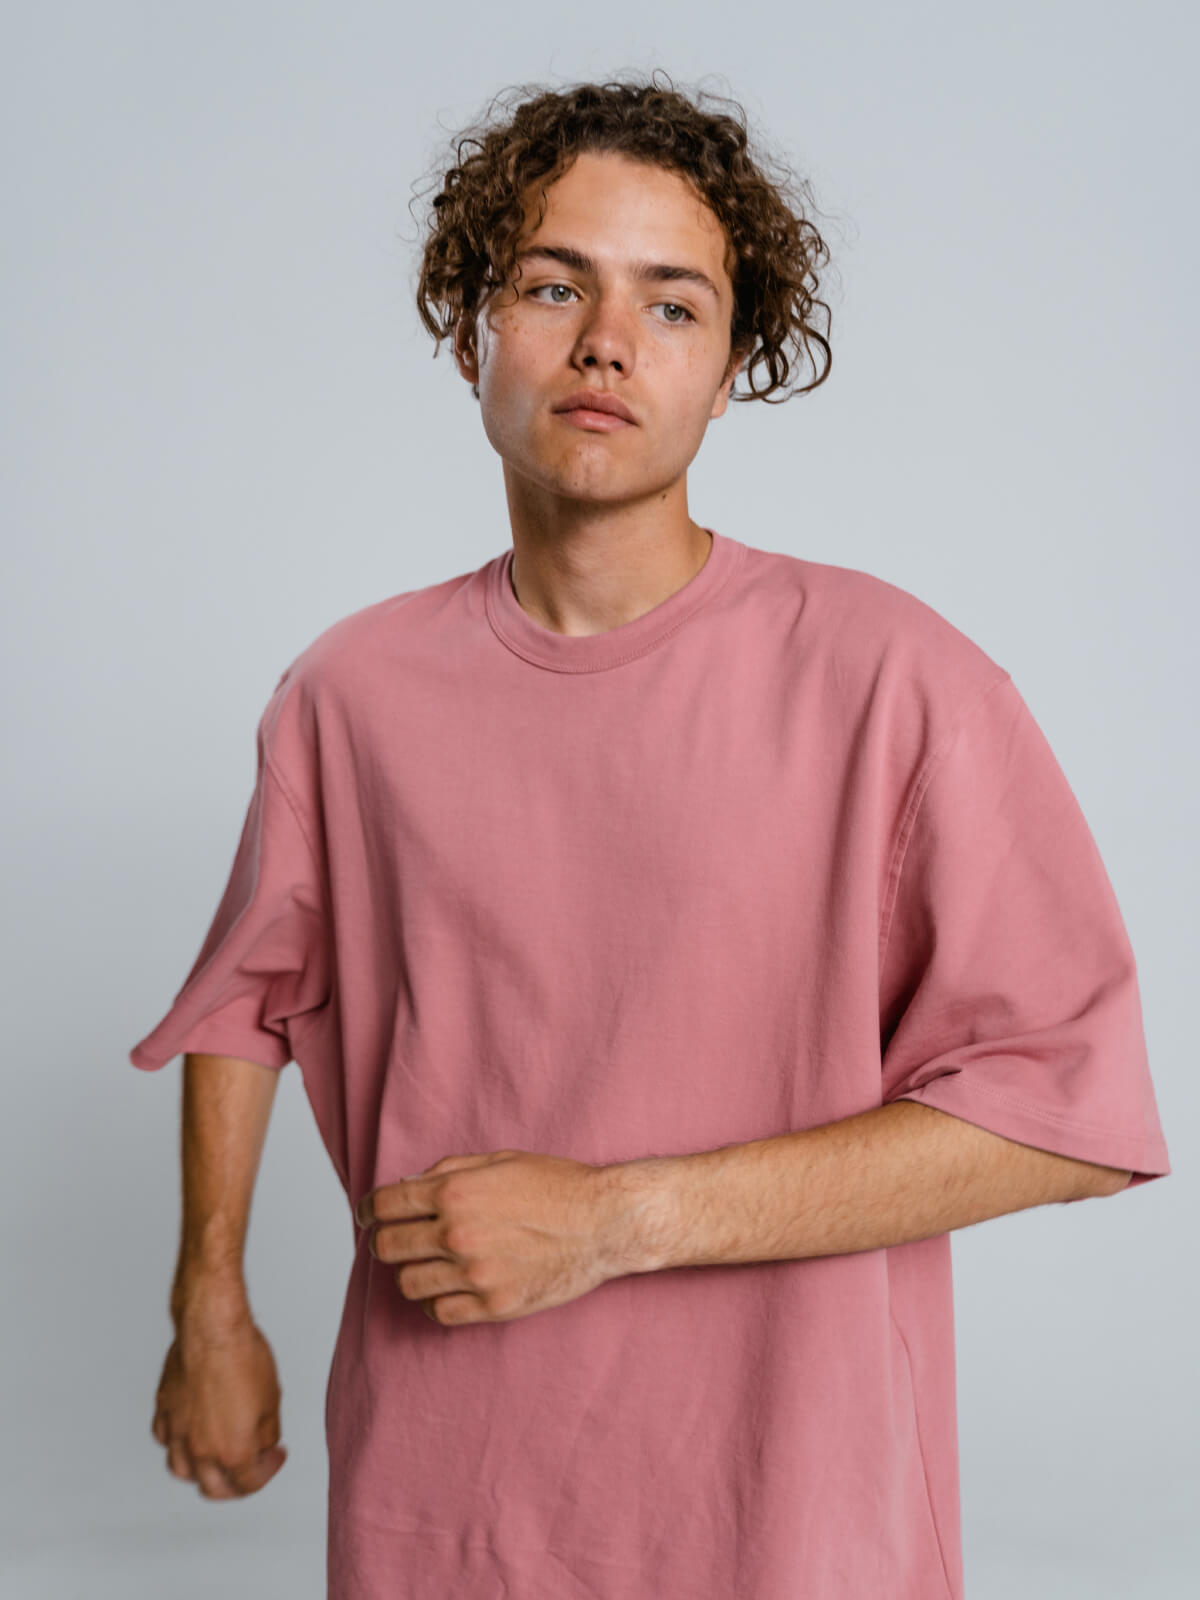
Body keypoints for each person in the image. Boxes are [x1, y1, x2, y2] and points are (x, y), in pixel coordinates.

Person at [129, 72, 1171, 1600]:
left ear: (731, 367)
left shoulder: (895, 681)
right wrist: (209, 1297)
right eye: (555, 286)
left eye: (672, 304)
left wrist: (617, 1220)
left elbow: (1065, 1118)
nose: (608, 341)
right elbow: (250, 998)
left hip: (790, 1513)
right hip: (445, 1500)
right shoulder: (350, 694)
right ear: (473, 328)